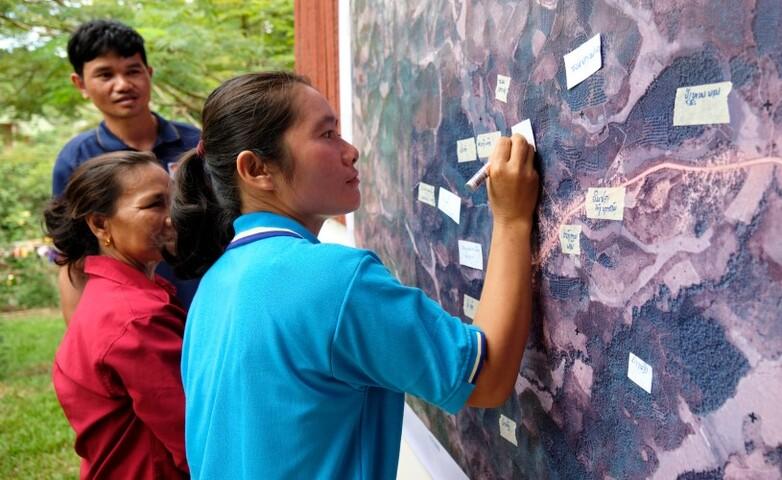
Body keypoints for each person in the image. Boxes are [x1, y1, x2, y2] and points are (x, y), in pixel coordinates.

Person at [170, 72, 539, 479]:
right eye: (326, 135)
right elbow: (485, 378)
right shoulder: (332, 279)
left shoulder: (214, 286)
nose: (352, 150)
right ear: (257, 169)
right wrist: (511, 218)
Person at [43, 151, 188, 478]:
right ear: (99, 224)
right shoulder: (136, 318)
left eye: (173, 200)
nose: (174, 217)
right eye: (155, 205)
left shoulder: (110, 298)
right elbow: (192, 441)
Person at [52, 19, 200, 321]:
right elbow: (72, 260)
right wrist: (81, 340)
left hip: (206, 309)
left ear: (149, 74)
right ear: (79, 84)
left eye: (132, 70)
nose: (122, 84)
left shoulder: (196, 144)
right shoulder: (76, 159)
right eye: (105, 74)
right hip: (131, 322)